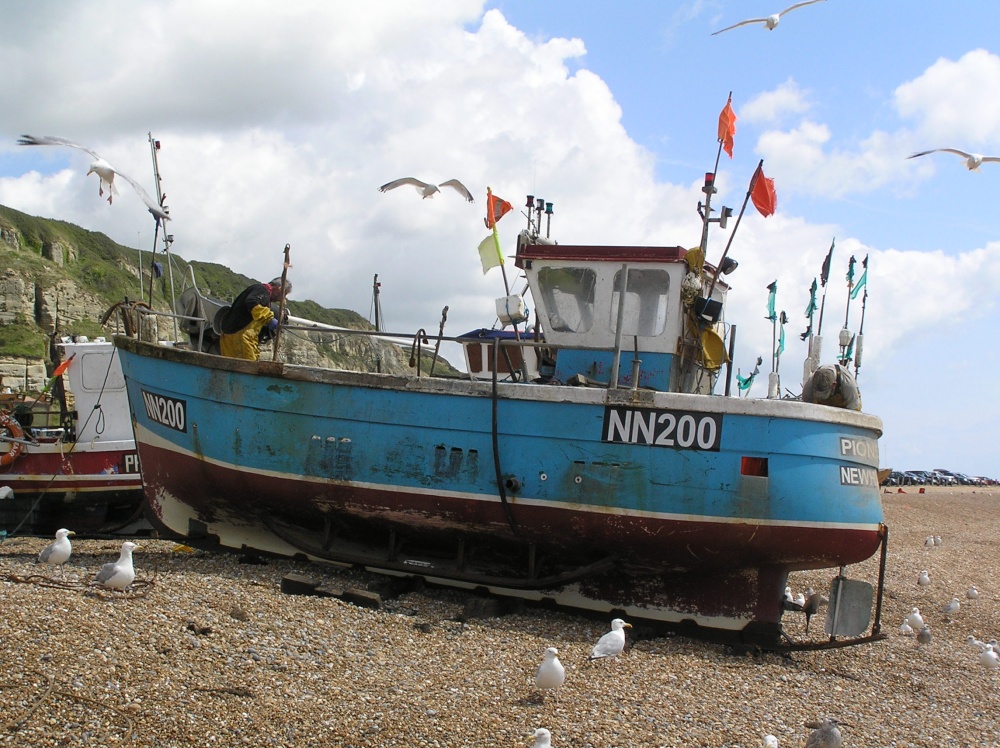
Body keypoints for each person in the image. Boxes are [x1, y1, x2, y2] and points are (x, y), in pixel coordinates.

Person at [218, 277, 292, 360]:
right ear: (279, 289)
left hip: (231, 334)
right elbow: (252, 302)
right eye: (284, 294)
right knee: (248, 367)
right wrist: (269, 318)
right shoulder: (262, 290)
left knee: (231, 365)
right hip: (240, 335)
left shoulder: (262, 294)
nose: (281, 299)